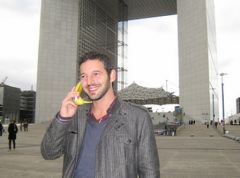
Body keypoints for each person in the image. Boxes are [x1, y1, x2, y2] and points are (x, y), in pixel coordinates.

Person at [41, 51, 160, 178]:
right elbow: (49, 153)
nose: (89, 82)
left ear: (112, 75)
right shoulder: (75, 115)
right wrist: (63, 118)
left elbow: (149, 172)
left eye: (96, 74)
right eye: (83, 76)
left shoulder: (138, 117)